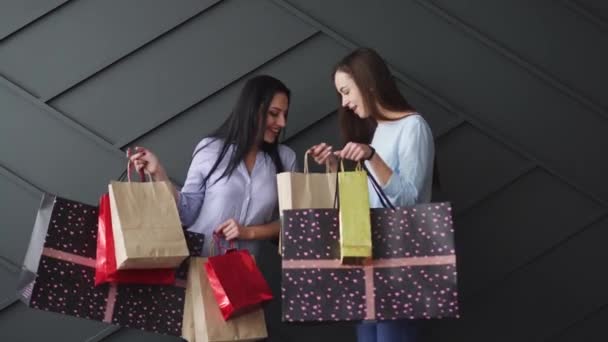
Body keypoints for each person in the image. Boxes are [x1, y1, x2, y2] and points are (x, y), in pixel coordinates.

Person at [308, 48, 435, 342]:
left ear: (368, 83)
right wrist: (334, 166)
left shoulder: (412, 126)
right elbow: (370, 202)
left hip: (399, 266)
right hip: (371, 263)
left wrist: (372, 156)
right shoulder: (381, 130)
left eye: (346, 91)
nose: (345, 102)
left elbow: (409, 202)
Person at [129, 75, 297, 257]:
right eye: (274, 113)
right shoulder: (211, 149)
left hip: (243, 273)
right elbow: (187, 213)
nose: (282, 123)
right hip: (197, 268)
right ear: (252, 109)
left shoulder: (286, 159)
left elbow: (294, 222)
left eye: (284, 115)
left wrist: (249, 232)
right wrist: (158, 173)